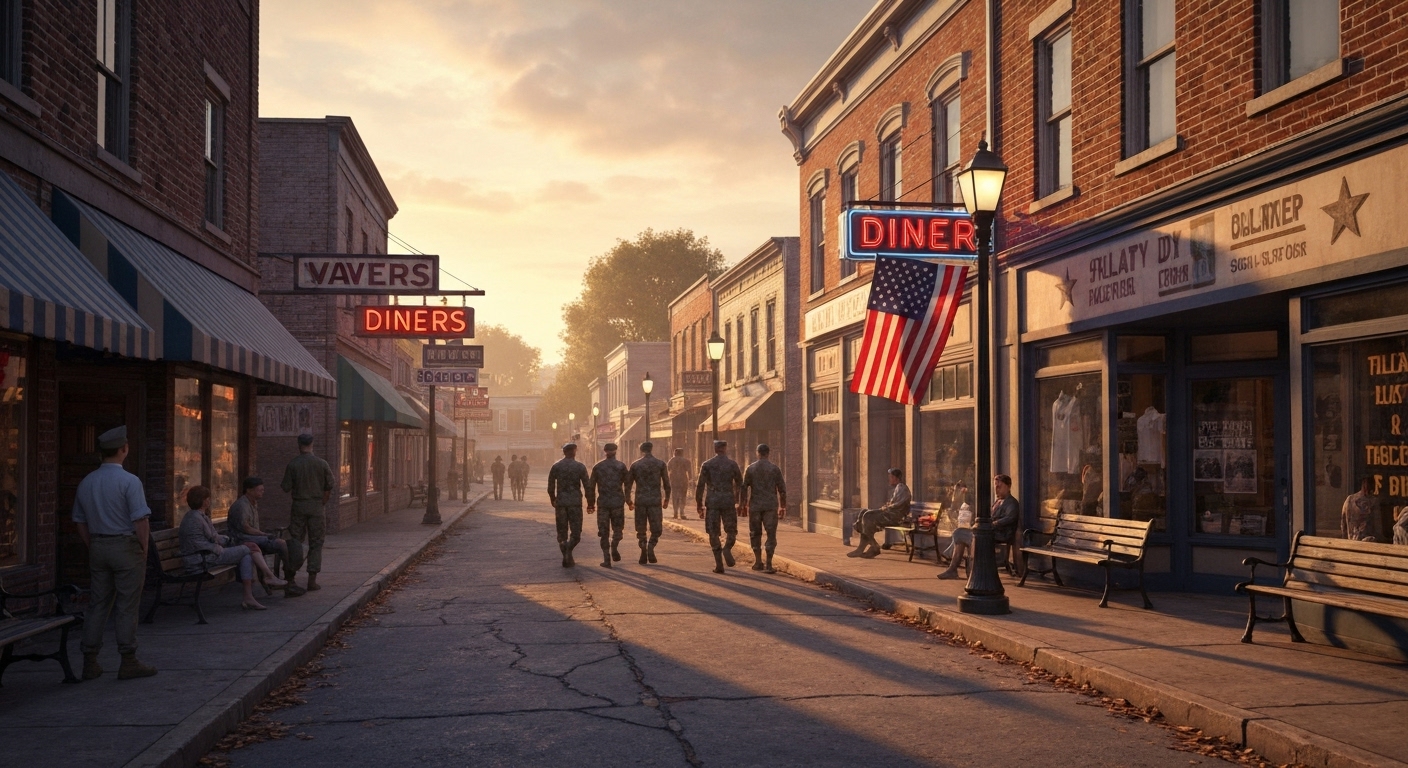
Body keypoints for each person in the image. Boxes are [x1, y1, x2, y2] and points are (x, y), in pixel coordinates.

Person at [72, 425, 157, 680]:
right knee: (127, 605)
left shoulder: (87, 481)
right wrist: (142, 548)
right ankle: (128, 658)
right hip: (125, 544)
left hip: (99, 544)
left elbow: (79, 520)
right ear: (124, 449)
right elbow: (140, 520)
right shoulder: (129, 481)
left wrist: (92, 544)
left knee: (98, 604)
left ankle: (89, 659)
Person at [179, 486, 286, 610]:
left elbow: (214, 537)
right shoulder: (195, 518)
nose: (209, 501)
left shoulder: (199, 516)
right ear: (203, 501)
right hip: (201, 560)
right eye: (207, 498)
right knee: (249, 548)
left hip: (207, 555)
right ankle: (268, 576)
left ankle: (248, 597)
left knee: (246, 554)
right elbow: (207, 541)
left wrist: (227, 540)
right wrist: (225, 543)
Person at [227, 477, 304, 597]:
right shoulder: (241, 505)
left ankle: (288, 578)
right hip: (242, 539)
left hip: (251, 537)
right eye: (259, 490)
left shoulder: (253, 503)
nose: (262, 492)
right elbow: (246, 527)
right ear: (249, 490)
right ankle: (284, 581)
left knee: (291, 545)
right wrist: (263, 534)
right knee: (280, 543)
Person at [938, 474, 1020, 580]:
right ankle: (953, 569)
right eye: (995, 486)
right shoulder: (998, 501)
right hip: (990, 531)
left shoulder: (1012, 503)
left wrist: (991, 524)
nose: (996, 489)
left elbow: (1009, 518)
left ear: (1008, 486)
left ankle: (964, 569)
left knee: (965, 535)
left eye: (999, 486)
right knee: (960, 533)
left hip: (1000, 534)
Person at [281, 432, 333, 592]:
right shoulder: (322, 463)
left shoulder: (293, 464)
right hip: (317, 506)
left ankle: (290, 577)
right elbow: (329, 485)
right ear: (312, 445)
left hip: (298, 506)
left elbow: (285, 487)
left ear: (299, 445)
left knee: (295, 541)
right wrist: (322, 502)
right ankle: (312, 579)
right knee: (316, 542)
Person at [696, 440, 742, 574]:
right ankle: (727, 548)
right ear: (725, 448)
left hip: (713, 501)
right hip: (728, 500)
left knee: (713, 532)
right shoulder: (732, 464)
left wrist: (699, 504)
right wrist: (740, 501)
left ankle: (719, 565)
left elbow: (700, 486)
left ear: (715, 449)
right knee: (731, 529)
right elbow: (740, 484)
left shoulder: (707, 464)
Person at [740, 444, 787, 574]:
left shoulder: (750, 468)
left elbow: (744, 488)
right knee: (771, 534)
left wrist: (742, 504)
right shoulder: (774, 469)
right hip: (770, 506)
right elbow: (782, 489)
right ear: (768, 453)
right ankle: (769, 564)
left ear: (757, 453)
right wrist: (783, 506)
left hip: (755, 505)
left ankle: (758, 561)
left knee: (755, 533)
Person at [546, 443, 592, 567]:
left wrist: (553, 499)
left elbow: (550, 487)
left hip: (561, 503)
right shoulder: (580, 467)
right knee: (576, 534)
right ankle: (569, 551)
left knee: (561, 533)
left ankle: (565, 550)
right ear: (574, 452)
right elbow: (587, 486)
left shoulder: (556, 466)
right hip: (575, 503)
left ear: (564, 452)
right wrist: (590, 502)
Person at [627, 441, 671, 565]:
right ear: (652, 449)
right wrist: (666, 499)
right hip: (655, 501)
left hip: (640, 501)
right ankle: (651, 546)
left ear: (641, 450)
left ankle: (643, 548)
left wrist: (628, 500)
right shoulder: (660, 464)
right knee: (656, 528)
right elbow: (667, 484)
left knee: (641, 529)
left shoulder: (635, 465)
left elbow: (628, 485)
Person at [850, 469, 910, 559]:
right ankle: (863, 547)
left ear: (895, 478)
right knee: (864, 512)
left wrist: (886, 507)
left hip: (896, 517)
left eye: (890, 477)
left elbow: (898, 504)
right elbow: (893, 503)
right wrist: (887, 506)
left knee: (867, 516)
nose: (889, 479)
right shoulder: (898, 487)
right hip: (891, 514)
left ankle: (873, 547)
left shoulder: (902, 488)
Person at [588, 443, 629, 568]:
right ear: (616, 451)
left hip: (604, 503)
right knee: (618, 530)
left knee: (604, 532)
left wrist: (591, 503)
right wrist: (628, 500)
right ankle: (614, 546)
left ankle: (607, 559)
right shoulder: (621, 466)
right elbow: (627, 485)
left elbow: (591, 487)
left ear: (604, 451)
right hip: (617, 503)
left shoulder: (598, 467)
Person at [1343, 477, 1376, 541]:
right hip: (1368, 543)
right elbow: (1378, 528)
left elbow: (1343, 525)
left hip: (1351, 541)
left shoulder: (1349, 499)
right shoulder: (1373, 501)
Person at [666, 448, 692, 520]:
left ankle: (675, 513)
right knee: (683, 496)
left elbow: (667, 470)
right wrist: (690, 480)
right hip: (683, 480)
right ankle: (682, 512)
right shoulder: (686, 461)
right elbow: (689, 472)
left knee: (674, 497)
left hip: (674, 480)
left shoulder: (671, 460)